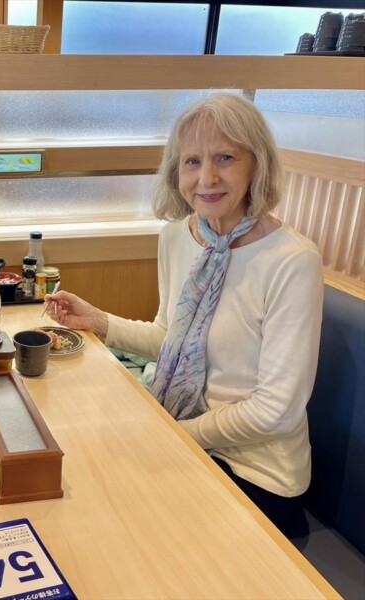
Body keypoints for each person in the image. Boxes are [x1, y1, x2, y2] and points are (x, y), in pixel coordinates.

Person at [45, 93, 323, 541]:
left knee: (123, 530)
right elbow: (170, 337)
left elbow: (278, 412)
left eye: (225, 158)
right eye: (192, 161)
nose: (206, 177)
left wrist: (174, 434)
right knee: (81, 486)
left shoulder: (292, 260)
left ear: (257, 165)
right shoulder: (178, 237)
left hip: (256, 473)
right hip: (185, 436)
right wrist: (97, 321)